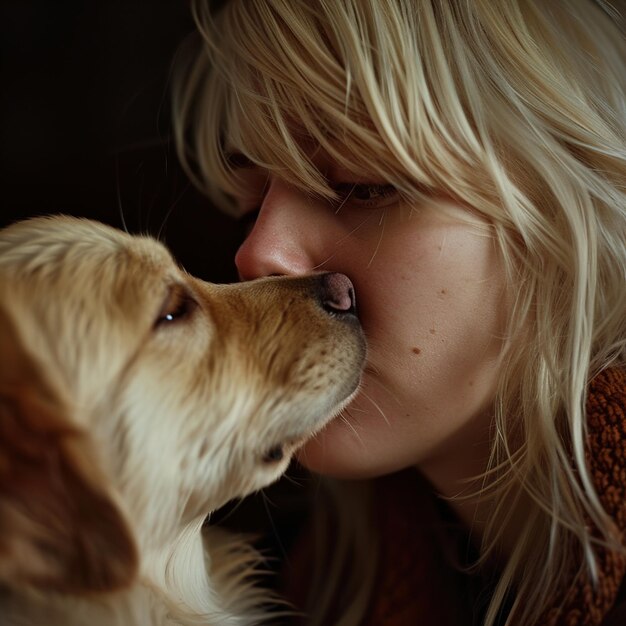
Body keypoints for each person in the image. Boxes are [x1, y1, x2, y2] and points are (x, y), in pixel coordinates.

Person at [172, 1, 626, 624]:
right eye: (252, 202)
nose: (256, 254)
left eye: (361, 183)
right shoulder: (296, 586)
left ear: (571, 209)